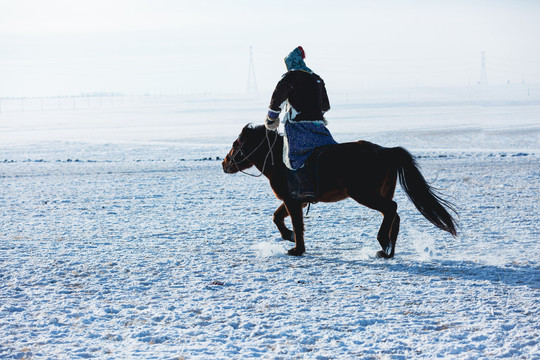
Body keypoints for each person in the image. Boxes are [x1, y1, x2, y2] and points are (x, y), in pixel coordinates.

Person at [265, 46, 337, 200]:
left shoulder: (289, 78)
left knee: (294, 155)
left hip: (298, 126)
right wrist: (317, 116)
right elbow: (326, 106)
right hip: (318, 125)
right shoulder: (316, 78)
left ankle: (307, 188)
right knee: (327, 149)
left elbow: (276, 101)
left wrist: (271, 119)